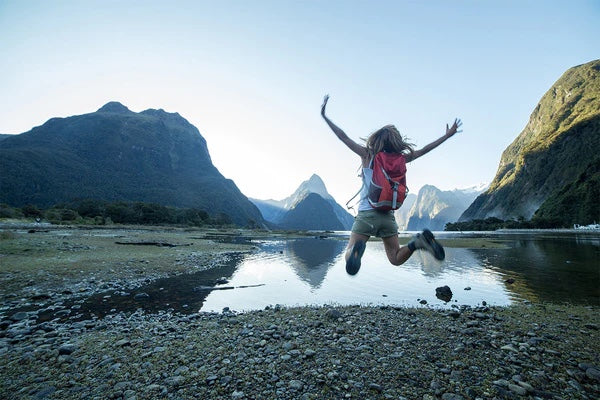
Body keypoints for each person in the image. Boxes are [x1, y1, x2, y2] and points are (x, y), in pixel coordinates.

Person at [320, 95, 462, 275]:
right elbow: (426, 149)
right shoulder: (402, 158)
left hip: (366, 215)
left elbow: (343, 137)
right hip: (388, 216)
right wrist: (447, 136)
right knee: (395, 258)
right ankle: (417, 243)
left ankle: (355, 249)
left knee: (349, 254)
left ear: (377, 139)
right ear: (397, 141)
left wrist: (325, 116)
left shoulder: (367, 155)